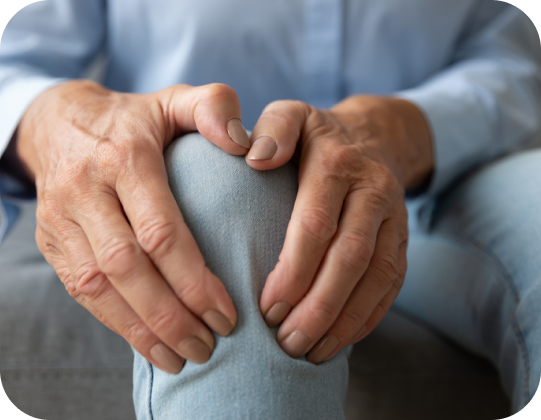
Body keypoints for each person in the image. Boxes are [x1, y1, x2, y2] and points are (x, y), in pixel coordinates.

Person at [0, 0, 540, 418]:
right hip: (184, 175)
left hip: (445, 169)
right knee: (231, 189)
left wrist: (395, 130)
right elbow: (14, 57)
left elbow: (515, 53)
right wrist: (57, 125)